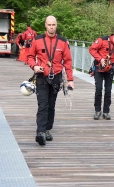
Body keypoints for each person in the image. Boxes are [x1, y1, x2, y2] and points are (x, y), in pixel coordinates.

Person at [27, 16, 74, 146]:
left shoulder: (63, 42)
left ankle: (48, 129)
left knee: (51, 105)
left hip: (56, 78)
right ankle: (40, 132)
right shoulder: (37, 40)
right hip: (42, 77)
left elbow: (68, 61)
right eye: (49, 25)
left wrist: (70, 80)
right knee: (43, 105)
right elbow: (29, 56)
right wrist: (34, 66)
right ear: (45, 25)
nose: (51, 27)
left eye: (53, 25)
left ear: (56, 25)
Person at [89, 33, 114, 120]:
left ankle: (106, 111)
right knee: (98, 89)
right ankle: (97, 111)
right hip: (99, 68)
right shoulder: (102, 40)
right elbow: (92, 49)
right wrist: (100, 59)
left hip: (110, 69)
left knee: (108, 91)